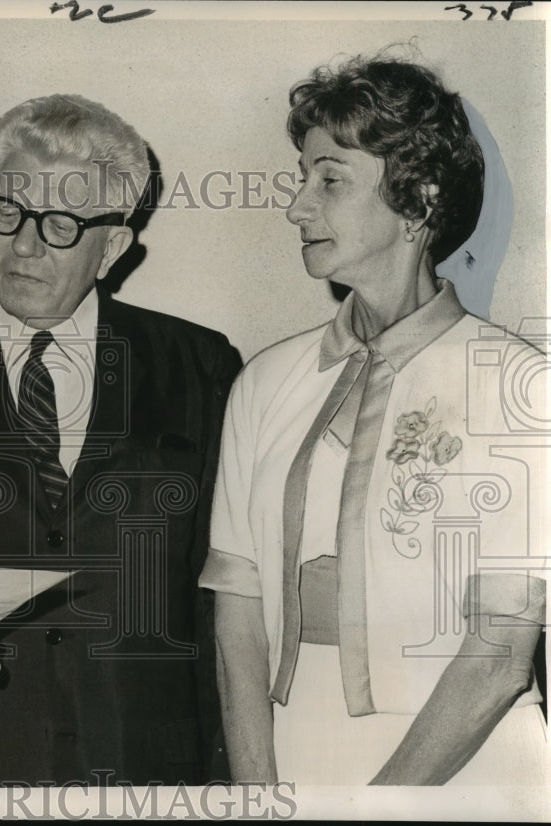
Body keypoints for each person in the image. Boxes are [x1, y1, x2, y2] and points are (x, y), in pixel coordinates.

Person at [0, 93, 242, 785]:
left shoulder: (201, 365)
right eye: (7, 211)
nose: (25, 245)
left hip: (144, 766)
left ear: (114, 246)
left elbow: (223, 596)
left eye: (61, 223)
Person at [200, 54, 548, 786]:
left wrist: (384, 809)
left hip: (464, 772)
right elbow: (239, 612)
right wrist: (259, 794)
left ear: (417, 201)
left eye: (329, 179)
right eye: (303, 176)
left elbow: (500, 655)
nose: (298, 205)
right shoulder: (262, 383)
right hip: (288, 762)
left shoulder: (521, 384)